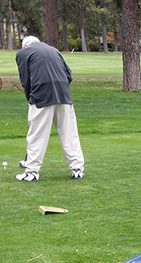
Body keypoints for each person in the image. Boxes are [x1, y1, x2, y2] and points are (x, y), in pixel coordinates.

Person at [15, 36, 84, 181]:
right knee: (69, 133)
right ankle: (77, 169)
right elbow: (68, 75)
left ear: (25, 46)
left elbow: (25, 80)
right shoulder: (54, 50)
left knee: (37, 134)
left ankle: (32, 171)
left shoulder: (22, 53)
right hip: (64, 95)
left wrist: (31, 98)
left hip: (42, 96)